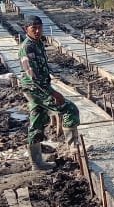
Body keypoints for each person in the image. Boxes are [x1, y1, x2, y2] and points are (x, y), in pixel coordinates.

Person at [18, 14, 80, 170]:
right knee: (69, 109)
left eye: (39, 27)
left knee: (37, 121)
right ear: (27, 29)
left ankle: (36, 163)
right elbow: (34, 78)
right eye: (34, 28)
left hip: (37, 88)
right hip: (35, 88)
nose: (38, 31)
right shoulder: (27, 48)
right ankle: (74, 148)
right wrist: (53, 93)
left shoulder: (38, 43)